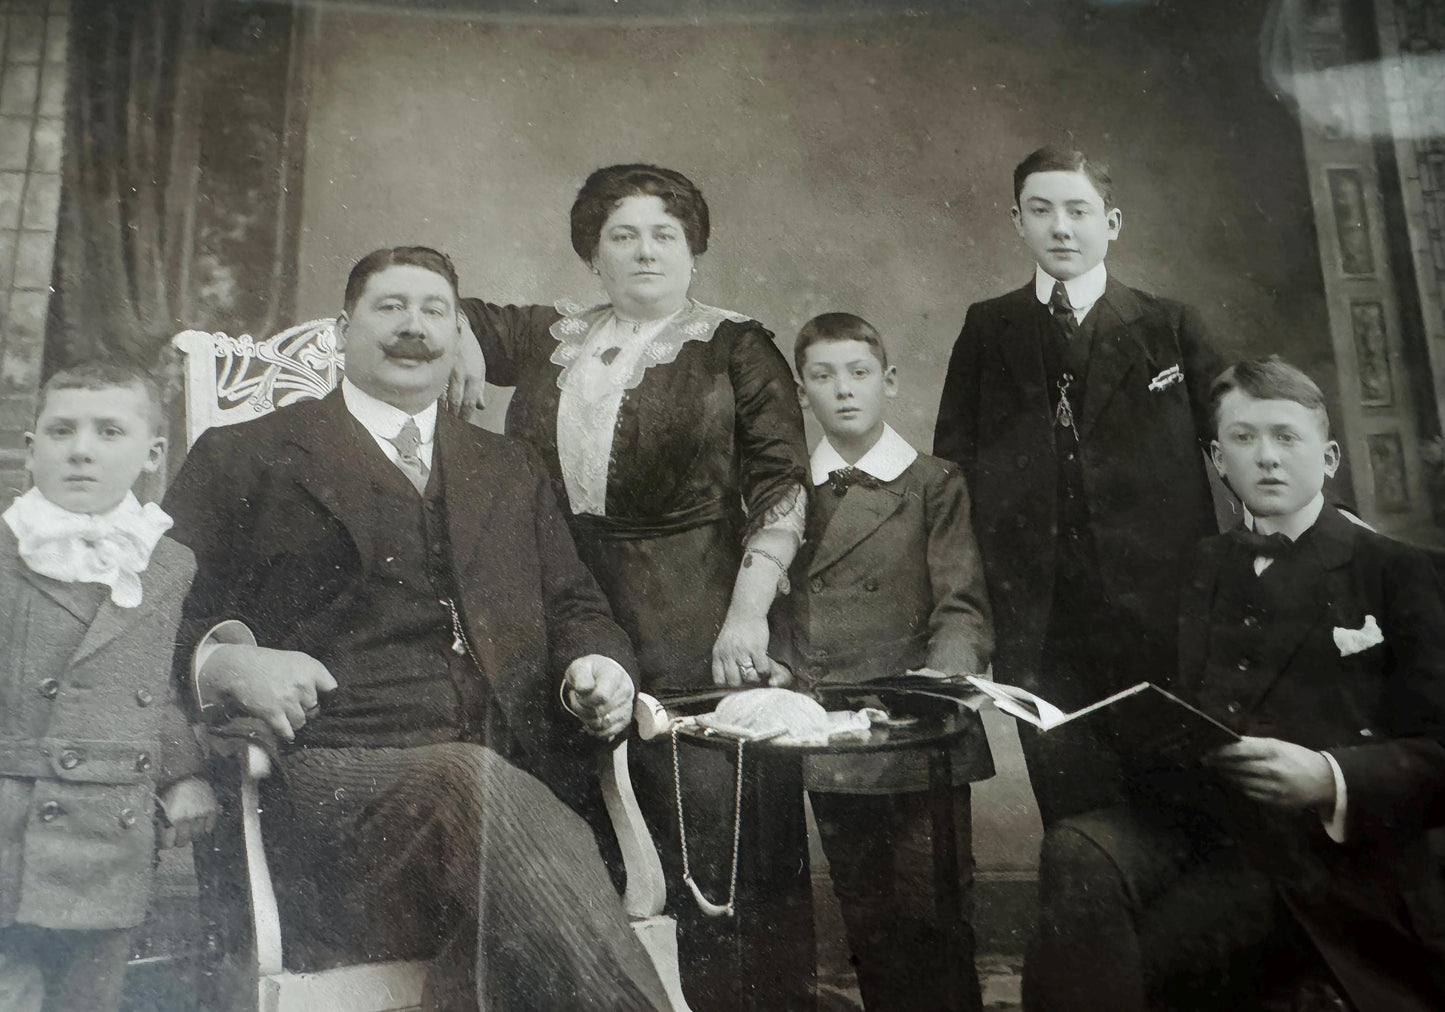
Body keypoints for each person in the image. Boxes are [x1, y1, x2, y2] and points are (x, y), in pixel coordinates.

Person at [162, 247, 670, 1011]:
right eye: (389, 307)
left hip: (515, 796)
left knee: (507, 855)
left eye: (435, 311)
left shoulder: (508, 467)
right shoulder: (248, 456)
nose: (414, 328)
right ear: (343, 328)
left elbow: (575, 605)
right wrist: (230, 665)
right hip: (335, 791)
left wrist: (597, 664)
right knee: (473, 786)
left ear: (456, 333)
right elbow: (156, 612)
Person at [457, 164, 810, 1007]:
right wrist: (466, 348)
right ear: (592, 254)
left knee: (697, 839)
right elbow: (449, 307)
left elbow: (783, 488)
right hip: (564, 612)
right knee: (569, 840)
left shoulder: (735, 344)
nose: (644, 251)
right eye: (623, 235)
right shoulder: (554, 334)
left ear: (693, 250)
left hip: (695, 617)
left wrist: (748, 618)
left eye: (664, 234)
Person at [1026, 358, 1445, 1011]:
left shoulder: (1400, 573)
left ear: (1329, 457)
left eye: (1285, 437)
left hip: (1334, 866)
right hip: (1216, 841)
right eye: (1244, 440)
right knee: (1079, 849)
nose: (1266, 458)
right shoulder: (1197, 568)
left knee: (1129, 966)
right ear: (1218, 461)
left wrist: (1328, 775)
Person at [933, 146, 1225, 826]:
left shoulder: (1168, 325)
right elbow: (954, 468)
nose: (1059, 228)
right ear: (1016, 222)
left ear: (1111, 223)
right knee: (1071, 810)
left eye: (1077, 211)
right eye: (1040, 211)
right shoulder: (988, 326)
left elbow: (1233, 443)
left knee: (1177, 805)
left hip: (1163, 613)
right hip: (1039, 620)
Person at [772, 313, 994, 1012]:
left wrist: (941, 684)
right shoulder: (784, 495)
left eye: (859, 373)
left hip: (916, 726)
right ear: (800, 391)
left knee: (933, 905)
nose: (843, 391)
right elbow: (777, 607)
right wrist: (782, 671)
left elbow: (961, 603)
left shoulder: (932, 482)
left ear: (888, 382)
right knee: (865, 911)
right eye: (822, 376)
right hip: (831, 725)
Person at [0, 361, 218, 1012]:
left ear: (152, 454)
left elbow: (152, 684)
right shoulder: (9, 552)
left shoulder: (167, 564)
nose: (83, 450)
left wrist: (183, 773)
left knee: (89, 996)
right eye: (62, 431)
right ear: (32, 450)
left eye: (109, 432)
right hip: (13, 820)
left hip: (109, 830)